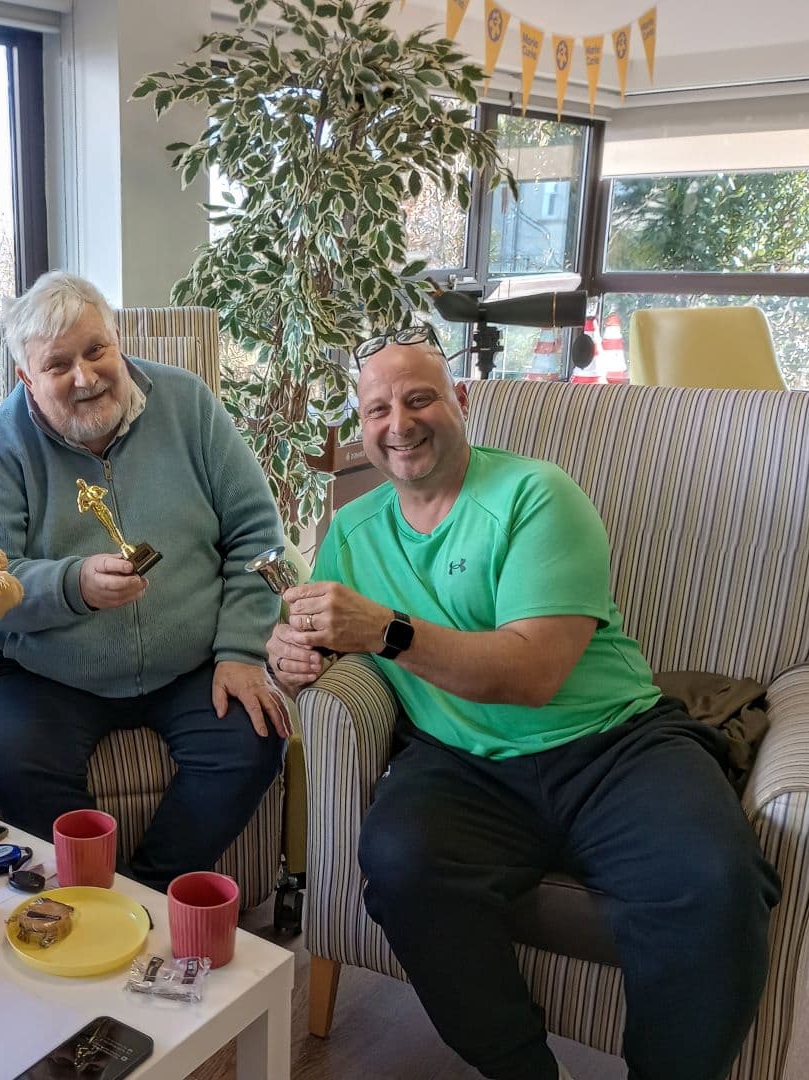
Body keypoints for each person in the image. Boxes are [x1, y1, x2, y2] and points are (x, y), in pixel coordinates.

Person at [266, 331, 780, 1080]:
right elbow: (330, 638)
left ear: (461, 401)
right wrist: (290, 655)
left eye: (419, 399)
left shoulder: (537, 493)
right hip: (459, 762)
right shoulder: (353, 528)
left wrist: (385, 629)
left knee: (715, 886)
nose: (399, 425)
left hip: (613, 746)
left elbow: (533, 672)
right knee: (401, 866)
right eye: (377, 410)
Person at [0, 270, 288, 892]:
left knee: (252, 741)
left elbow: (258, 534)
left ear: (119, 341)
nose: (85, 377)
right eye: (58, 365)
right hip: (48, 672)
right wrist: (71, 585)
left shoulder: (187, 404)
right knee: (10, 757)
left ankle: (143, 895)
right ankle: (94, 896)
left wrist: (242, 650)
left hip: (189, 661)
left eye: (96, 350)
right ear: (26, 377)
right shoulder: (1, 445)